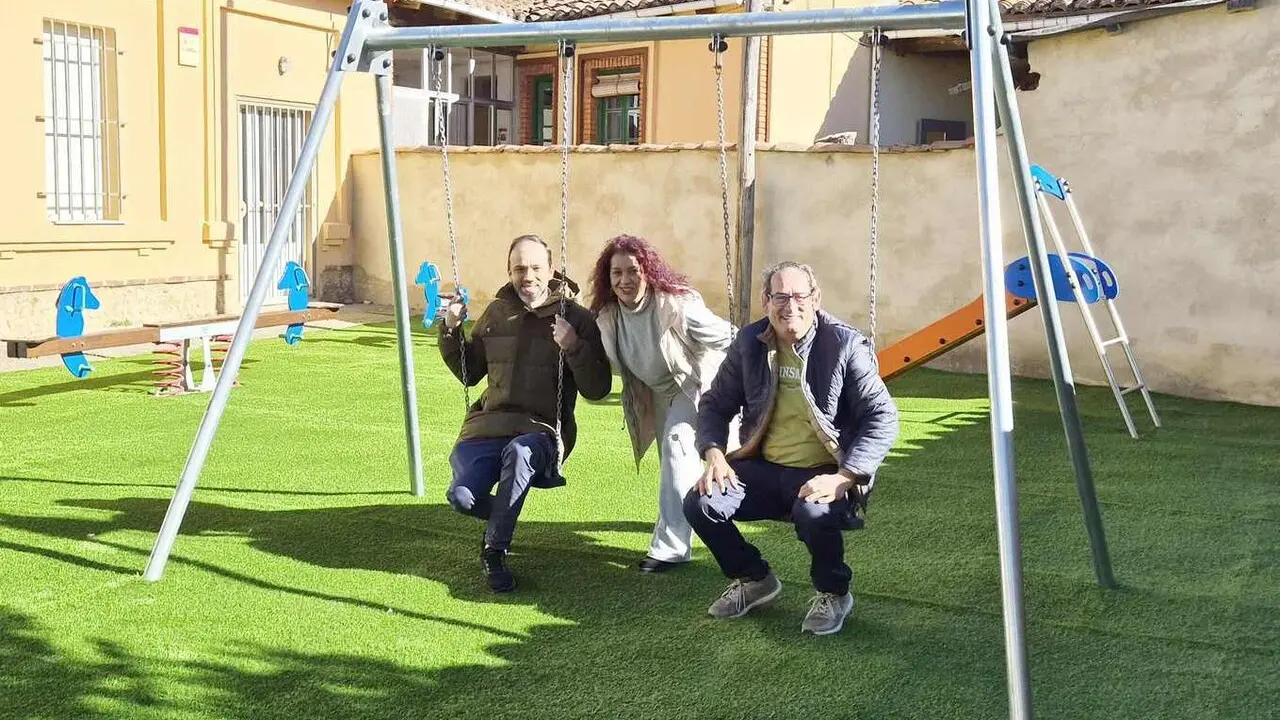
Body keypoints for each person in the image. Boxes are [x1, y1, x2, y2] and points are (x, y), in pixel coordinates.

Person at [683, 261, 899, 636]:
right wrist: (714, 452)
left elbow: (882, 417)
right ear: (766, 301)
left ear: (815, 299)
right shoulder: (749, 343)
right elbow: (716, 403)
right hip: (764, 467)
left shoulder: (844, 344)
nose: (790, 305)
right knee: (700, 503)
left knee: (815, 514)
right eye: (780, 296)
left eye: (800, 295)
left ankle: (834, 592)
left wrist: (844, 478)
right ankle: (754, 579)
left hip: (825, 469)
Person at [439, 234, 613, 593]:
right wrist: (451, 330)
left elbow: (598, 388)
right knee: (461, 498)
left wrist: (574, 347)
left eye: (536, 267)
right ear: (509, 271)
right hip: (488, 427)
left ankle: (494, 550)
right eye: (519, 268)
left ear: (551, 270)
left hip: (541, 430)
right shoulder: (496, 313)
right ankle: (506, 514)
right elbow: (471, 373)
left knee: (520, 453)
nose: (528, 276)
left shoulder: (575, 318)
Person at [588, 234, 736, 574]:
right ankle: (694, 515)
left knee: (676, 447)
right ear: (607, 279)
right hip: (652, 393)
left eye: (633, 271)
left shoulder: (677, 307)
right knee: (676, 466)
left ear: (648, 272)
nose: (625, 280)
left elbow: (730, 336)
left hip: (692, 386)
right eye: (616, 273)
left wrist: (756, 369)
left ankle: (671, 548)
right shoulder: (608, 315)